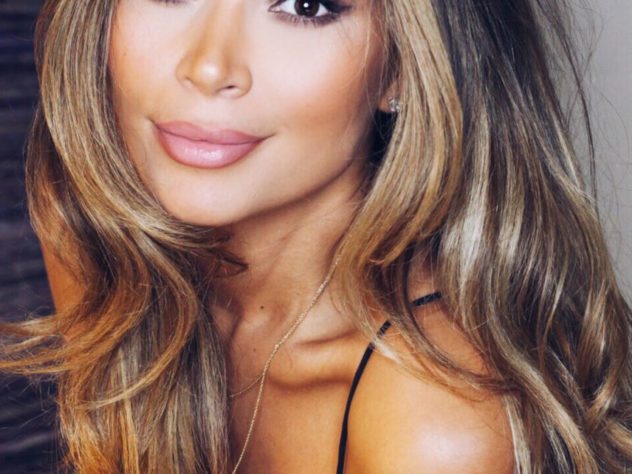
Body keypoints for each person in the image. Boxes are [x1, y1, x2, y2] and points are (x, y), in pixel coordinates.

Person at [1, 0, 631, 472]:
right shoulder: (97, 244)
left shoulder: (436, 424)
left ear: (401, 69)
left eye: (306, 6)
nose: (209, 66)